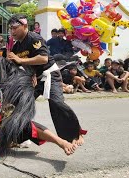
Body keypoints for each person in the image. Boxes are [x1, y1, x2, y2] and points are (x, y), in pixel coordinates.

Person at [6, 14, 86, 146]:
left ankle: (76, 134)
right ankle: (20, 137)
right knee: (18, 104)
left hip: (50, 76)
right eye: (11, 29)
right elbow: (18, 66)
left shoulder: (34, 38)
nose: (12, 31)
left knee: (56, 104)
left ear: (25, 26)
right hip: (34, 79)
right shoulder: (16, 47)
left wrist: (21, 60)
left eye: (15, 28)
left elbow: (43, 58)